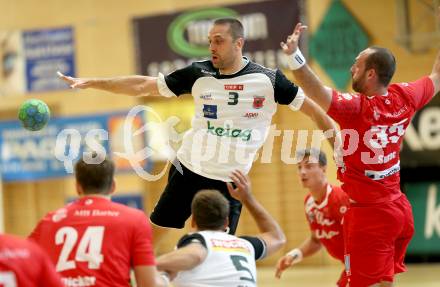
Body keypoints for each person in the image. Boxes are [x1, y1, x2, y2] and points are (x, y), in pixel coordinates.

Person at [57, 17, 336, 240]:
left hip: (231, 182)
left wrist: (339, 150)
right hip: (188, 169)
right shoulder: (198, 73)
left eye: (219, 41)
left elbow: (315, 109)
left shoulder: (269, 80)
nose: (212, 47)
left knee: (218, 249)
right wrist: (94, 82)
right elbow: (142, 85)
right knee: (152, 232)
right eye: (209, 41)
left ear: (239, 43)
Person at [280, 19, 440, 286]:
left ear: (371, 74)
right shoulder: (405, 96)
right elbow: (437, 76)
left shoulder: (356, 109)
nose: (352, 67)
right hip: (399, 209)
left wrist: (294, 56)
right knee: (385, 280)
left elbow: (317, 92)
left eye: (358, 63)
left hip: (370, 216)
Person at [29, 156, 169, 287]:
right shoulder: (135, 219)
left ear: (78, 187)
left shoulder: (49, 220)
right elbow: (147, 284)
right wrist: (164, 279)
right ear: (113, 185)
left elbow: (23, 264)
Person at [155, 170, 285, 287]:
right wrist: (248, 198)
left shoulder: (200, 242)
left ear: (193, 221)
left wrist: (149, 263)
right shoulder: (245, 246)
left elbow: (196, 254)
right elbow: (277, 237)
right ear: (226, 222)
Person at [275, 149, 349, 286]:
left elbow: (358, 243)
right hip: (350, 263)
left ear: (323, 168)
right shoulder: (309, 203)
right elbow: (316, 240)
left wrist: (350, 271)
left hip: (364, 261)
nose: (302, 172)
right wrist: (293, 255)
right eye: (299, 167)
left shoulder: (340, 199)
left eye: (308, 166)